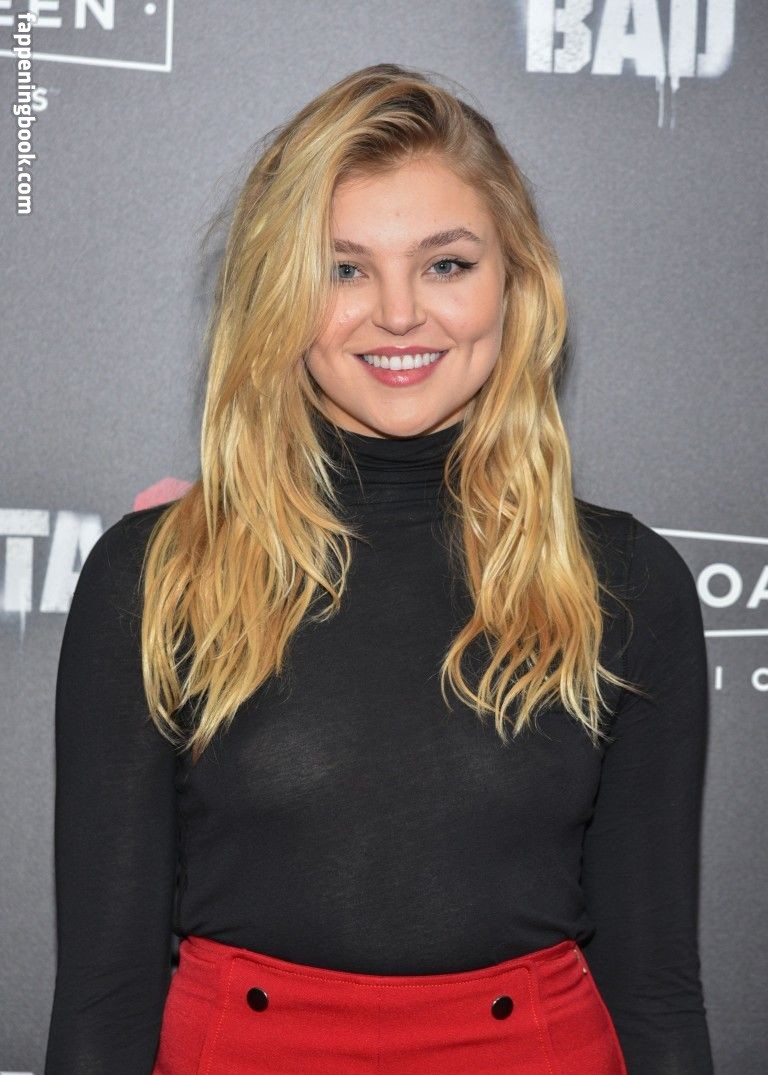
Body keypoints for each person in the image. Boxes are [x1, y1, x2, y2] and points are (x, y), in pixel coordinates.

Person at [44, 63, 714, 1074]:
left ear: (515, 282)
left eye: (446, 263)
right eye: (343, 269)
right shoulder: (158, 578)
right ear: (277, 296)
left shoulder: (624, 583)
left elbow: (655, 984)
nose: (399, 314)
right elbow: (104, 993)